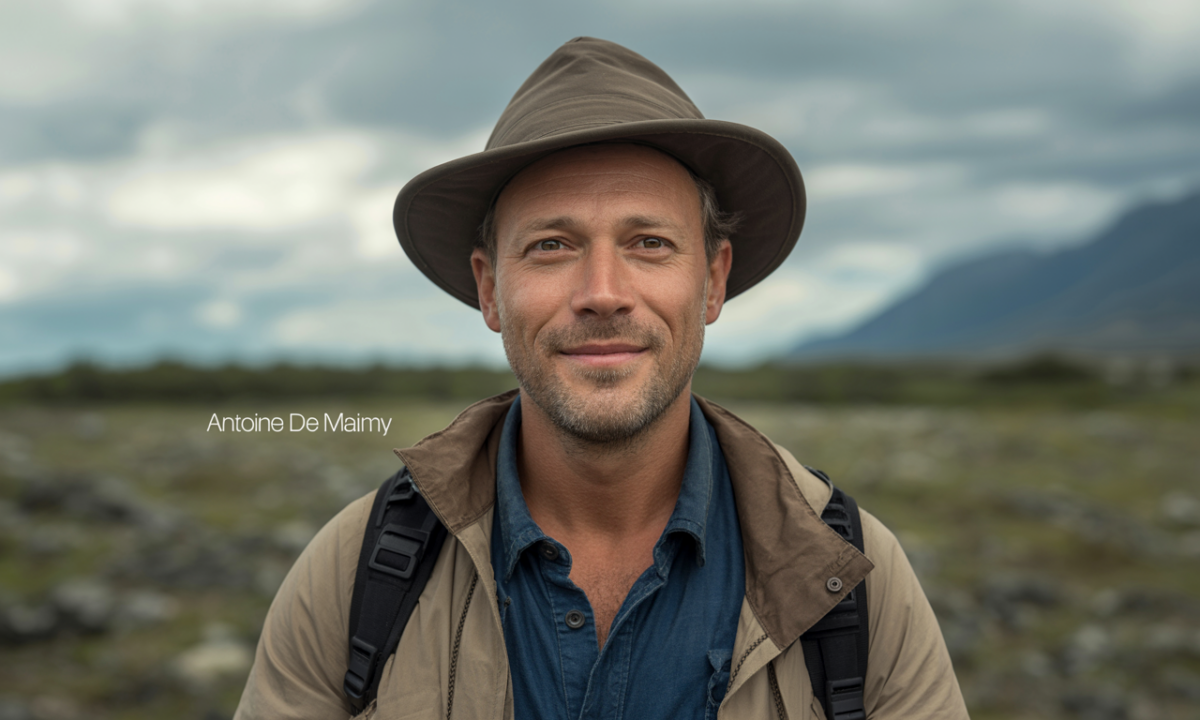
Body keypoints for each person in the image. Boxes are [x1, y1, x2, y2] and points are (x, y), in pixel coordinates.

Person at [234, 37, 968, 720]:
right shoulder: (355, 571)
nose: (604, 291)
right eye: (552, 245)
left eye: (650, 243)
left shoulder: (854, 581)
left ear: (712, 281)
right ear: (490, 290)